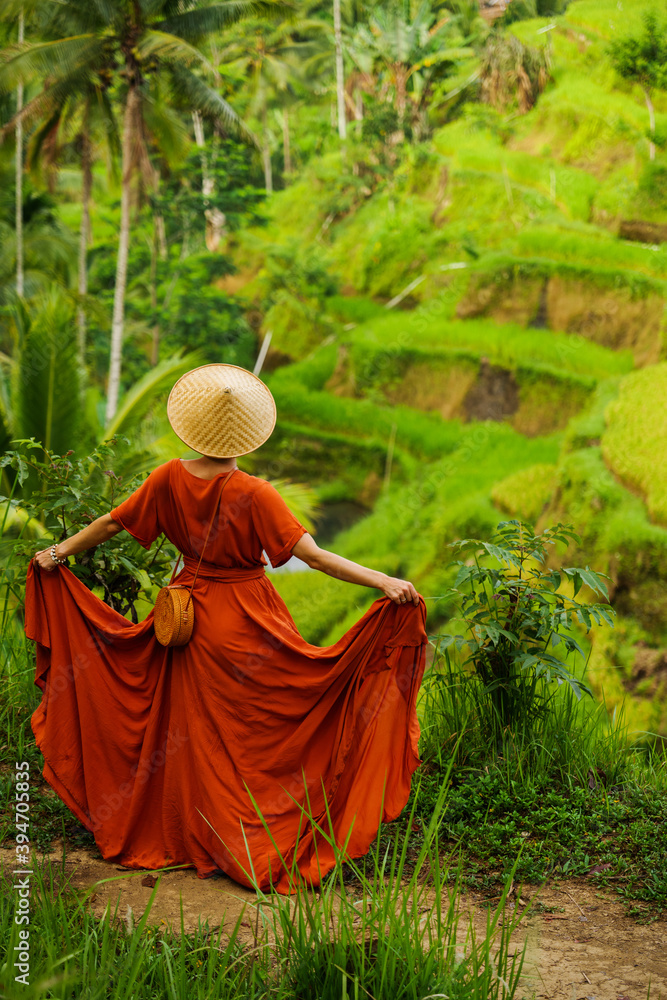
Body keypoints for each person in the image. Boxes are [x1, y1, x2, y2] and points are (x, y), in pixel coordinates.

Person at [26, 363, 428, 893]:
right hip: (244, 623)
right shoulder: (256, 494)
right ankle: (249, 835)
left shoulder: (168, 477)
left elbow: (110, 523)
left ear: (191, 425)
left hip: (185, 619)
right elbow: (314, 556)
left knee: (189, 735)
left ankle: (188, 831)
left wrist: (56, 554)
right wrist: (382, 581)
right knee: (260, 728)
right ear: (250, 432)